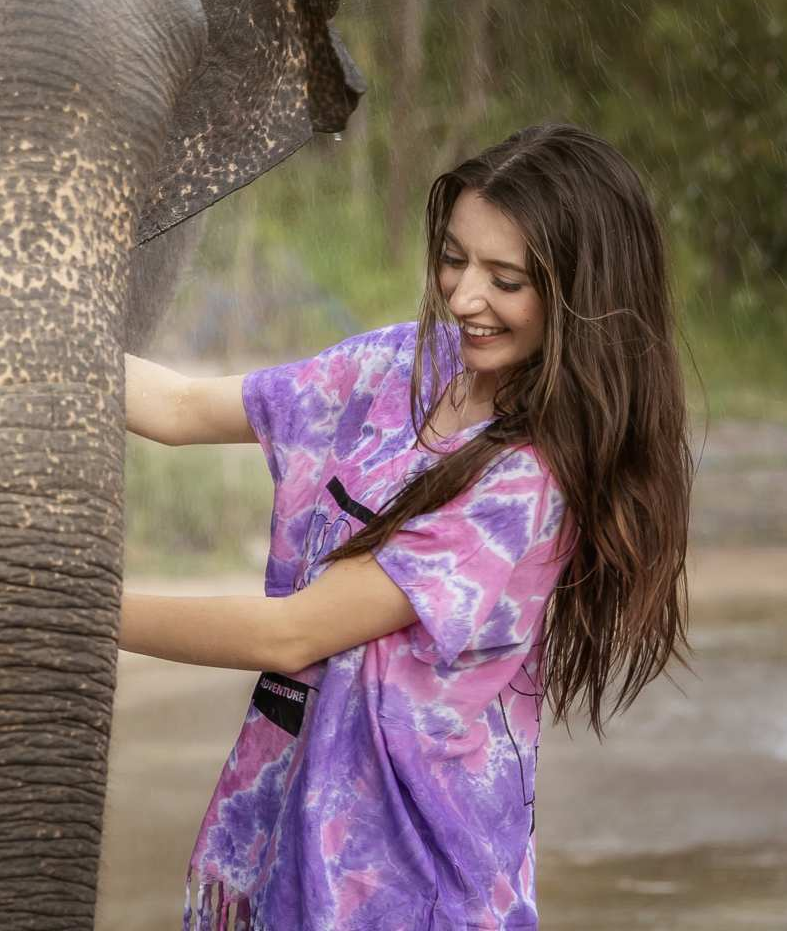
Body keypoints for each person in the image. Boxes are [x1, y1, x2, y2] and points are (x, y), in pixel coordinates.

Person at [120, 123, 692, 931]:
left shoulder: (526, 484)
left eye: (506, 279)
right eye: (455, 259)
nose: (462, 298)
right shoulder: (403, 367)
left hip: (406, 875)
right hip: (282, 822)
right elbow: (180, 408)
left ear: (579, 295)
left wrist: (69, 609)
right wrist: (17, 338)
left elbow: (290, 637)